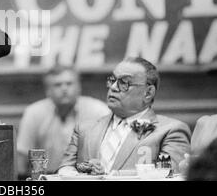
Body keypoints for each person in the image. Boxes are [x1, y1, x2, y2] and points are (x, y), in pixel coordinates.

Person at [57, 57, 191, 175]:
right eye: (112, 80)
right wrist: (84, 169)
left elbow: (169, 176)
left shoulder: (170, 131)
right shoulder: (84, 129)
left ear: (148, 93)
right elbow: (66, 169)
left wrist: (112, 175)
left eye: (124, 82)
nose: (113, 87)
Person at [16, 65, 110, 178]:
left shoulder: (98, 111)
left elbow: (109, 153)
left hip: (88, 177)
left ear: (79, 87)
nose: (64, 89)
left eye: (69, 83)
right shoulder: (34, 113)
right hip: (46, 177)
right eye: (57, 85)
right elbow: (21, 156)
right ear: (48, 91)